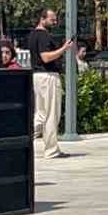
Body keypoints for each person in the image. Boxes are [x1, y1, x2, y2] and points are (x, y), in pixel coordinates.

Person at [26, 9, 72, 159]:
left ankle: (23, 138)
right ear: (42, 18)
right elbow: (46, 57)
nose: (55, 22)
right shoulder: (44, 35)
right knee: (51, 114)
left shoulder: (33, 35)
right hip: (48, 76)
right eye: (52, 20)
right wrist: (64, 49)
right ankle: (51, 150)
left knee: (40, 114)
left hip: (37, 76)